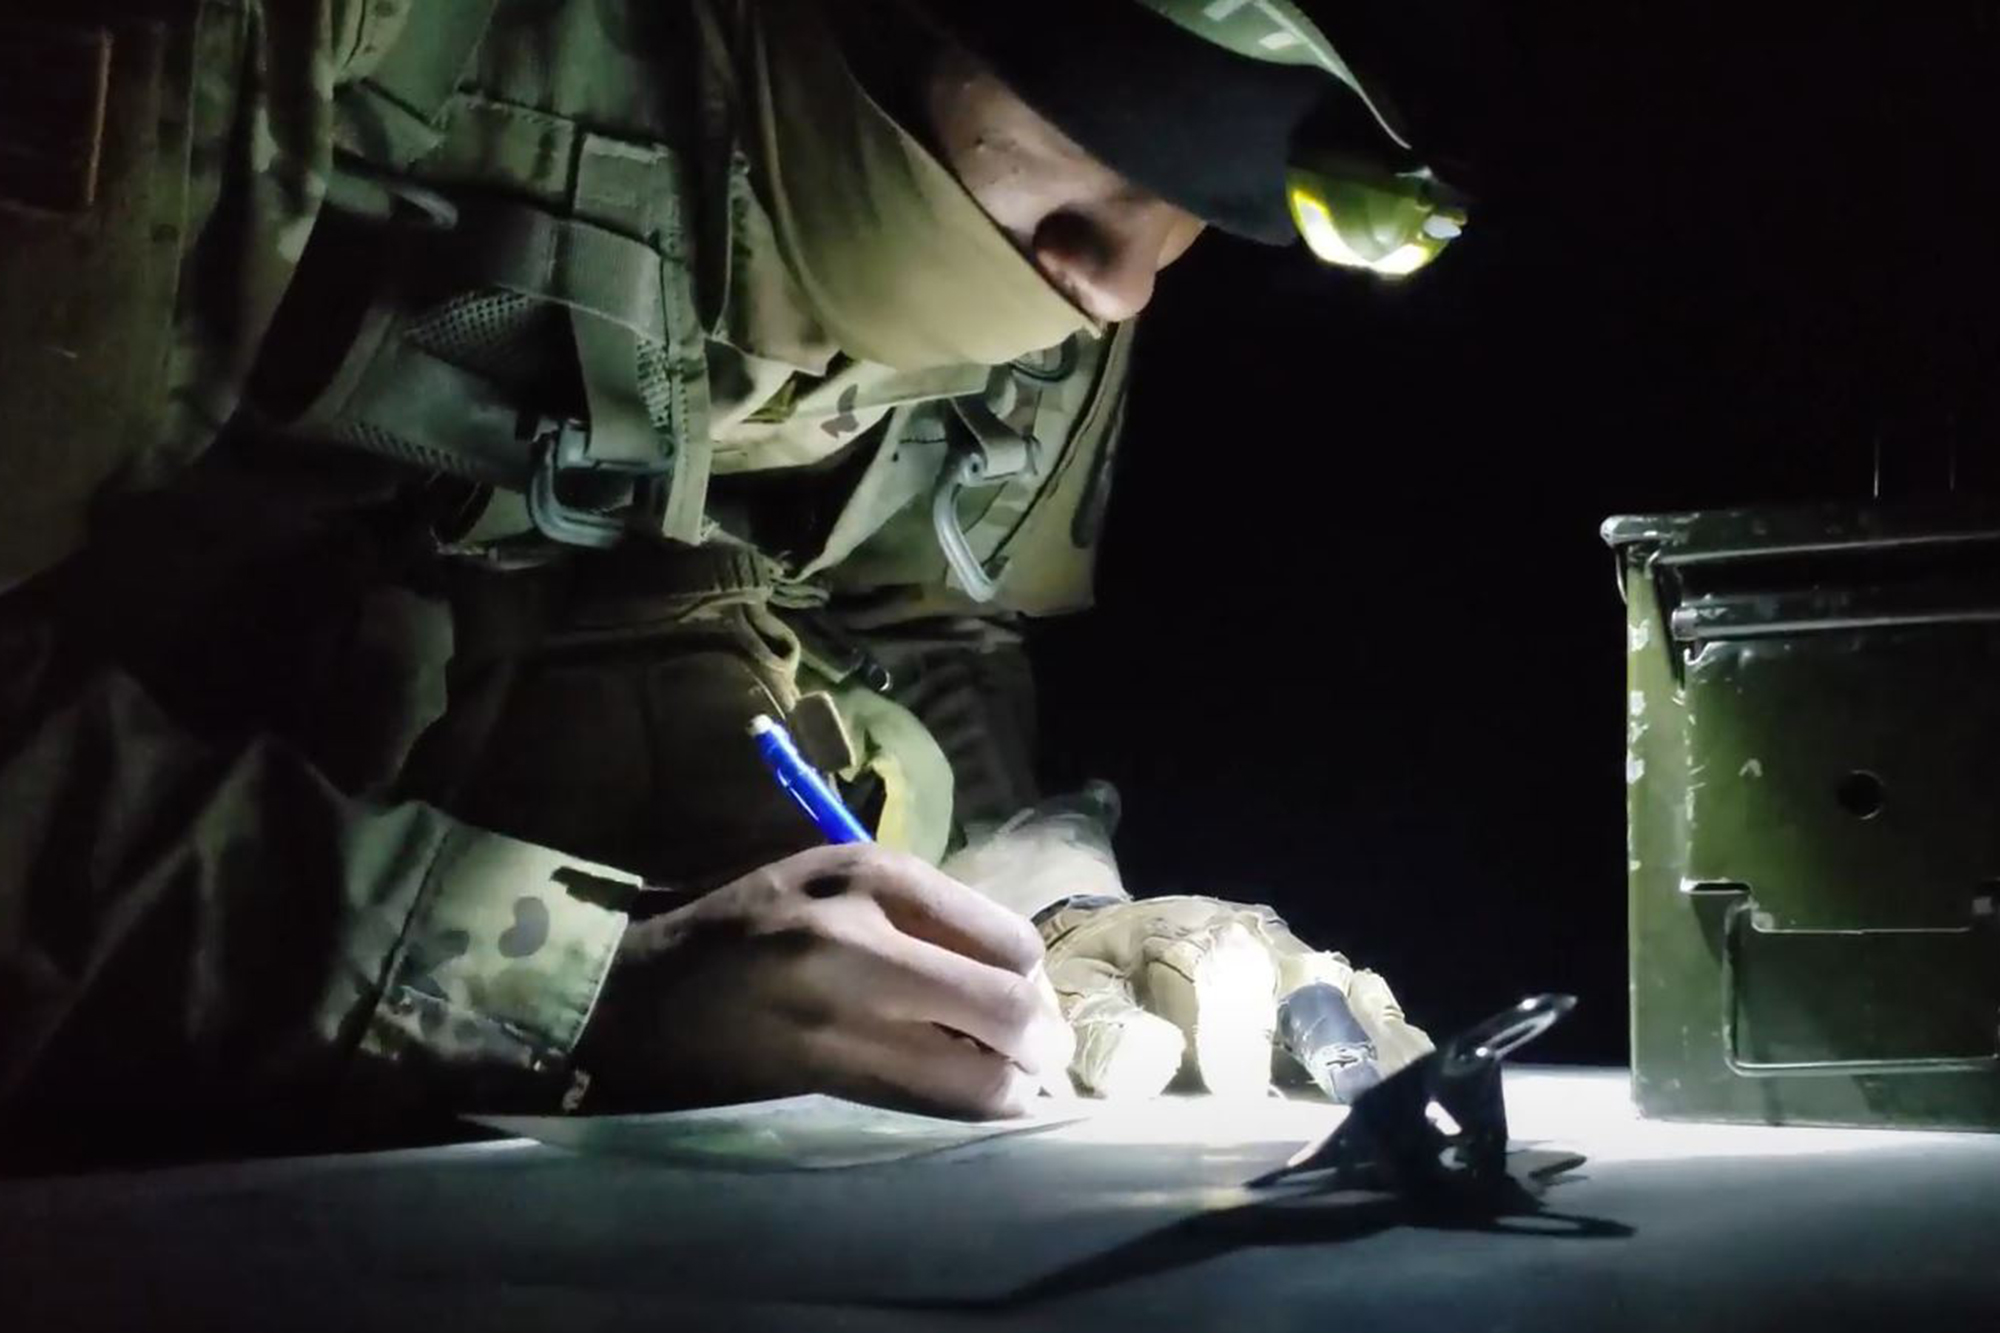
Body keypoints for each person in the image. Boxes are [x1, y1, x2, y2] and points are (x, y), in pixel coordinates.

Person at [0, 0, 1465, 1161]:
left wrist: (1051, 907)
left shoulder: (1051, 251)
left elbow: (932, 627)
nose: (1122, 284)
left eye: (1244, 174)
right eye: (1120, 109)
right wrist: (581, 983)